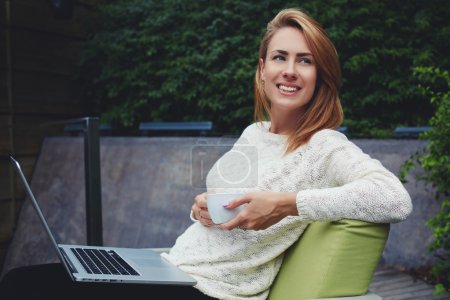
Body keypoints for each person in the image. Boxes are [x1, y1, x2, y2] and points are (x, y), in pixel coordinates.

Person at [0, 7, 412, 300]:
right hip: (173, 267)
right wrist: (201, 210)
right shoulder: (254, 133)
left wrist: (285, 205)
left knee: (23, 287)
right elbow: (223, 208)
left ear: (321, 77)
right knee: (22, 280)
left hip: (214, 292)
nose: (289, 70)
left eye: (305, 61)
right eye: (279, 57)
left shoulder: (324, 146)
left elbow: (393, 197)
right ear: (262, 70)